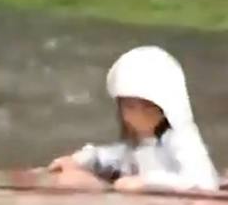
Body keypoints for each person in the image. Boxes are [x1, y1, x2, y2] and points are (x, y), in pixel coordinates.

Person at [48, 45, 220, 192]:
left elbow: (203, 183)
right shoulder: (137, 144)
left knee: (77, 182)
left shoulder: (181, 141)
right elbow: (110, 156)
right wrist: (79, 160)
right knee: (69, 178)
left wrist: (146, 182)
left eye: (147, 107)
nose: (138, 116)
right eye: (130, 107)